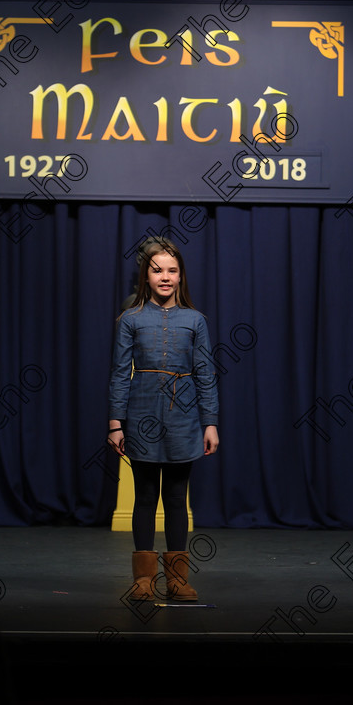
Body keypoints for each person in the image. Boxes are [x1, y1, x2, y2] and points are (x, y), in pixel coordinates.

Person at [108, 237, 219, 602]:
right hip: (141, 415)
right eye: (157, 270)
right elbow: (119, 373)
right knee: (144, 498)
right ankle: (143, 580)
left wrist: (210, 422)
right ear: (145, 275)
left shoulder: (195, 320)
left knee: (175, 498)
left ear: (181, 276)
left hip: (184, 418)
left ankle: (177, 580)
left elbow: (205, 374)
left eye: (172, 270)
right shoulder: (131, 319)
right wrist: (115, 423)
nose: (165, 277)